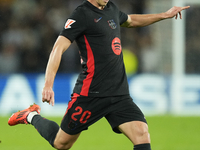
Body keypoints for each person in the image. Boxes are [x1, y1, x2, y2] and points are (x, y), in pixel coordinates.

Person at [8, 0, 190, 150]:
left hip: (119, 94)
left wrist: (164, 15)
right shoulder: (81, 15)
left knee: (142, 134)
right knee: (61, 143)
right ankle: (31, 115)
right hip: (90, 94)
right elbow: (58, 48)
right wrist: (48, 84)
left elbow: (131, 20)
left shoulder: (112, 8)